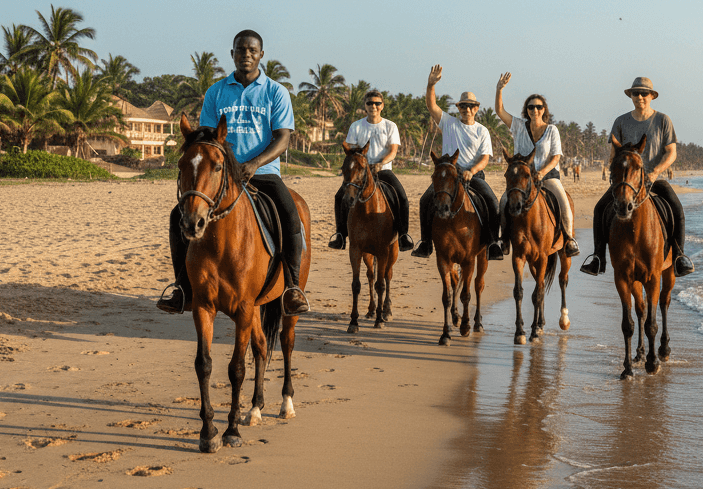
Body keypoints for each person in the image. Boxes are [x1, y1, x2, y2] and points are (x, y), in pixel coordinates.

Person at [157, 29, 310, 316]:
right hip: (222, 176)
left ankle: (292, 287)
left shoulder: (276, 92)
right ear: (233, 54)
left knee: (290, 213)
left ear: (261, 55)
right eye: (241, 50)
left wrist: (253, 164)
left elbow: (283, 138)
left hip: (262, 173)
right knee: (177, 215)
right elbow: (206, 137)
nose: (246, 55)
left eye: (252, 50)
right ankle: (182, 288)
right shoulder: (217, 92)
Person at [580, 76, 694, 278]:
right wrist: (614, 167)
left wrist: (655, 171)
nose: (640, 97)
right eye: (636, 93)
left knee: (677, 208)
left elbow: (671, 152)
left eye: (644, 93)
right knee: (600, 209)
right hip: (627, 181)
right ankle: (598, 257)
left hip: (654, 179)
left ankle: (679, 255)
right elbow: (614, 152)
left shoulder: (662, 120)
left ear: (652, 96)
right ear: (631, 96)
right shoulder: (621, 121)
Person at [411, 65, 504, 261]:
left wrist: (472, 170)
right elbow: (431, 106)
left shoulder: (482, 131)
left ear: (476, 109)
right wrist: (431, 85)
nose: (466, 110)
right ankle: (426, 242)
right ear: (458, 108)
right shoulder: (448, 123)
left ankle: (493, 242)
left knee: (492, 202)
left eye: (470, 106)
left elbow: (485, 158)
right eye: (462, 106)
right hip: (449, 175)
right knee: (425, 200)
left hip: (473, 174)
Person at [494, 73, 579, 256]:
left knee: (563, 200)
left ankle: (569, 239)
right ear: (527, 110)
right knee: (503, 202)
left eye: (538, 107)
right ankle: (504, 240)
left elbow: (556, 157)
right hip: (523, 179)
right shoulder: (518, 126)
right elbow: (500, 111)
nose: (535, 110)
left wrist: (541, 172)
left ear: (544, 110)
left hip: (547, 176)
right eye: (531, 107)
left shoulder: (551, 130)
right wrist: (500, 88)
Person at [328, 89, 414, 251]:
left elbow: (393, 151)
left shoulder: (390, 126)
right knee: (340, 196)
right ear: (365, 106)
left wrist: (380, 163)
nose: (373, 106)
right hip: (361, 174)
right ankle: (340, 235)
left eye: (377, 103)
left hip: (383, 170)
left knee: (402, 197)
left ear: (382, 106)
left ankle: (403, 235)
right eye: (370, 103)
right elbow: (352, 150)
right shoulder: (356, 126)